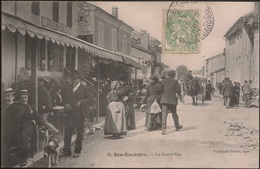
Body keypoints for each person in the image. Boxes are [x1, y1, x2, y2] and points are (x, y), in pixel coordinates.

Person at [61, 70, 92, 158]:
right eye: (72, 79)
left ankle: (77, 150)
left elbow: (90, 99)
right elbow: (64, 99)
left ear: (79, 79)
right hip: (69, 113)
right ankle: (67, 151)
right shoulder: (68, 88)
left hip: (79, 114)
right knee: (68, 132)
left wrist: (81, 102)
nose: (73, 81)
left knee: (79, 132)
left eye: (75, 79)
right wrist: (66, 105)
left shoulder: (84, 88)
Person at [12, 90, 41, 166]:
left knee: (24, 136)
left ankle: (23, 159)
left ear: (28, 98)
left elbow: (38, 118)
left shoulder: (31, 107)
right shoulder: (15, 108)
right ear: (19, 99)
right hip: (17, 127)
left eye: (25, 97)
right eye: (21, 98)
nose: (23, 99)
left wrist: (33, 122)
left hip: (28, 128)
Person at [160, 70, 182, 135]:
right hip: (172, 100)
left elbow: (160, 90)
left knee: (164, 114)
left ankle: (163, 129)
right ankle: (177, 126)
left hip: (164, 100)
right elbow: (178, 90)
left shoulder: (163, 81)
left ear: (168, 75)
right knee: (174, 113)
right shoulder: (175, 81)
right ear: (174, 75)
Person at [2, 88, 17, 167]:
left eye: (8, 96)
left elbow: (14, 124)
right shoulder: (4, 107)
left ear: (13, 97)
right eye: (5, 97)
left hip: (11, 134)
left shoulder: (15, 108)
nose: (6, 99)